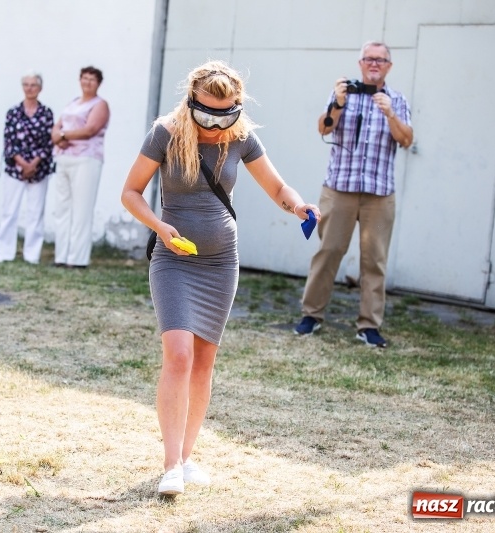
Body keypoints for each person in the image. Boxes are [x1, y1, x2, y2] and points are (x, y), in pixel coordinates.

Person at [120, 60, 320, 496]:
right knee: (178, 355)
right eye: (206, 114)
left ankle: (187, 457)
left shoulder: (240, 137)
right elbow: (130, 192)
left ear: (237, 108)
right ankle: (171, 465)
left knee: (205, 361)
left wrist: (299, 206)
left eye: (224, 114)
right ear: (190, 103)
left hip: (220, 263)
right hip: (174, 259)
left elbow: (277, 187)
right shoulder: (166, 134)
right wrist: (159, 227)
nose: (214, 124)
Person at [295, 41, 413, 348]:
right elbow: (323, 128)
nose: (374, 64)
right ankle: (311, 315)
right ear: (360, 63)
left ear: (389, 66)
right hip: (339, 189)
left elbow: (407, 139)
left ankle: (368, 326)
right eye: (369, 59)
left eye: (381, 60)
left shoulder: (396, 100)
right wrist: (336, 102)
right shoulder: (343, 94)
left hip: (379, 193)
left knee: (375, 260)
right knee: (329, 251)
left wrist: (390, 115)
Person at [50, 66, 110, 268]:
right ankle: (61, 256)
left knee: (81, 209)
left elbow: (90, 129)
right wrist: (58, 138)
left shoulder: (100, 105)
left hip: (86, 159)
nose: (87, 82)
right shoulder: (73, 102)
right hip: (64, 157)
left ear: (98, 83)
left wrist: (64, 136)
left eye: (92, 79)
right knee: (62, 208)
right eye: (84, 78)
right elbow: (57, 127)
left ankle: (77, 259)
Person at [0, 72, 56, 264]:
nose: (29, 88)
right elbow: (9, 142)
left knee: (35, 213)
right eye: (26, 85)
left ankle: (32, 255)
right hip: (15, 169)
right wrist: (22, 163)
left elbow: (48, 142)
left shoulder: (46, 113)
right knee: (9, 211)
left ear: (40, 88)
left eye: (33, 85)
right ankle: (3, 253)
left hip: (39, 169)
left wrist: (33, 164)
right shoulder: (13, 112)